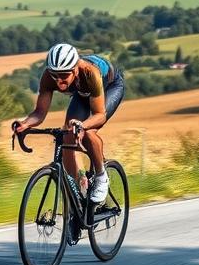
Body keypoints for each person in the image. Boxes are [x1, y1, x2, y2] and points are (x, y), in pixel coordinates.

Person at [13, 43, 125, 202]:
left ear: (75, 69)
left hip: (109, 87)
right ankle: (81, 184)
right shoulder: (48, 77)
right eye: (54, 75)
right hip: (82, 92)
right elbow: (39, 113)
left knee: (88, 131)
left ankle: (101, 176)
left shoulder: (89, 72)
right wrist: (25, 124)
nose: (59, 81)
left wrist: (83, 126)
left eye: (64, 75)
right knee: (67, 135)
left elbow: (99, 115)